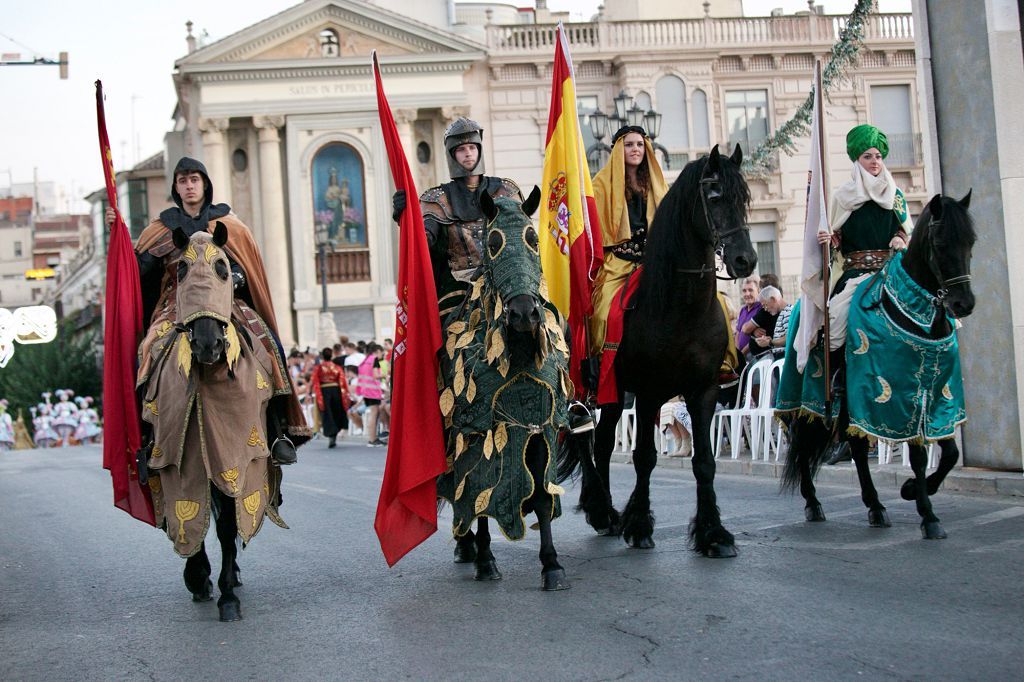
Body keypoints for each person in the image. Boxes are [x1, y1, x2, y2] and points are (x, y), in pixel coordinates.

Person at [110, 157, 310, 464]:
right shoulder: (161, 228)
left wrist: (233, 280)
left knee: (268, 342)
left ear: (204, 184)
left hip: (224, 300)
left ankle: (278, 430)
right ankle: (149, 437)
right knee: (147, 350)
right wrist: (119, 236)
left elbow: (246, 268)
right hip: (175, 305)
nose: (189, 186)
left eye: (194, 179)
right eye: (182, 181)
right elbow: (137, 273)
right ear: (175, 188)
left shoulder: (229, 224)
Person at [391, 117, 523, 313]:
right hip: (460, 287)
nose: (468, 153)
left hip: (509, 280)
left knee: (553, 320)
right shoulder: (437, 199)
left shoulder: (506, 191)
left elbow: (522, 236)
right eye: (461, 149)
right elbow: (422, 241)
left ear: (479, 149)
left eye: (472, 147)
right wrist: (406, 217)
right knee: (443, 335)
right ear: (452, 155)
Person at [589, 126, 668, 358]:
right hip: (618, 263)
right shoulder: (600, 185)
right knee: (603, 313)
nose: (636, 149)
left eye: (640, 144)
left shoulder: (656, 184)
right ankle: (601, 367)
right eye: (630, 144)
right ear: (618, 150)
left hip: (653, 261)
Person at [310, 348, 350, 448]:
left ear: (322, 356)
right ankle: (334, 434)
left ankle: (331, 434)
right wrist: (345, 394)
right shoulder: (337, 367)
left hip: (324, 392)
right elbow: (342, 381)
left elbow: (315, 380)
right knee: (336, 411)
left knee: (327, 413)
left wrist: (313, 392)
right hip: (336, 391)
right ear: (331, 355)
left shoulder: (318, 368)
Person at [355, 342, 386, 447]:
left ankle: (373, 438)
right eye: (382, 352)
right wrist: (385, 374)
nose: (382, 355)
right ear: (377, 351)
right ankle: (372, 440)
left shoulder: (365, 360)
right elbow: (376, 375)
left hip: (366, 391)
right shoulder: (374, 359)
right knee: (373, 413)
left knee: (374, 413)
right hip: (373, 391)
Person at [747, 286, 791, 359]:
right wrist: (767, 340)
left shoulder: (788, 312)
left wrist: (770, 342)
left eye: (765, 305)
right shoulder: (782, 313)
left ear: (773, 299)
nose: (765, 309)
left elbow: (789, 337)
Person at [736, 276, 762, 361]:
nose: (747, 294)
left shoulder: (762, 309)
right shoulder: (742, 310)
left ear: (758, 291)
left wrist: (741, 353)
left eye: (750, 290)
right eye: (744, 291)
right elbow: (738, 333)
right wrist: (737, 352)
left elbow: (757, 337)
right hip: (741, 357)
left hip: (755, 357)